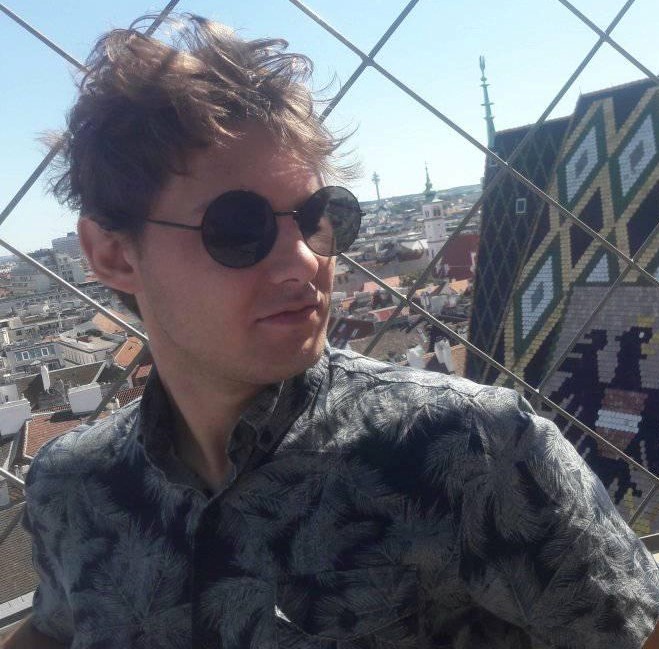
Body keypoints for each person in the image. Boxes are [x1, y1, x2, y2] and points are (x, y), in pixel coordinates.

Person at [5, 13, 659, 649]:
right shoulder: (72, 485)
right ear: (114, 255)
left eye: (319, 215)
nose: (305, 261)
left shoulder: (470, 449)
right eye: (237, 227)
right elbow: (58, 626)